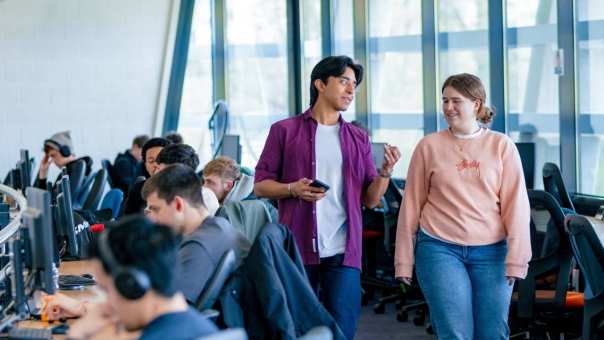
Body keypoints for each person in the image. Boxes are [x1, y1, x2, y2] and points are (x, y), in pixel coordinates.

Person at [254, 55, 400, 340]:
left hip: (344, 250)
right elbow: (261, 185)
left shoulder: (359, 138)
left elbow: (370, 201)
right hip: (297, 246)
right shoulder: (284, 130)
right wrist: (291, 189)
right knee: (298, 328)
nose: (351, 90)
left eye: (354, 84)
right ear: (320, 84)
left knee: (343, 328)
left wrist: (384, 173)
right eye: (344, 81)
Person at [394, 73, 531, 339]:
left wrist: (517, 259)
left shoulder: (501, 146)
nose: (448, 107)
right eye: (444, 100)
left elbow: (516, 208)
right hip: (439, 248)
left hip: (492, 253)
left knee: (492, 333)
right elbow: (410, 207)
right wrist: (403, 262)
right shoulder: (428, 146)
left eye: (456, 101)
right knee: (456, 334)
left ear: (476, 104)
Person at [45, 215, 218, 340]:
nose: (106, 303)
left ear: (131, 285)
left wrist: (78, 334)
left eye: (106, 289)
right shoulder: (197, 327)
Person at [142, 164, 251, 304]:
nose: (152, 218)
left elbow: (170, 311)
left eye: (155, 209)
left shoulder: (198, 247)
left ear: (178, 205)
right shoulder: (219, 226)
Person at [122, 137, 171, 215]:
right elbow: (125, 220)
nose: (156, 164)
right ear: (145, 164)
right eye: (151, 161)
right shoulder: (138, 189)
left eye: (161, 160)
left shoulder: (181, 191)